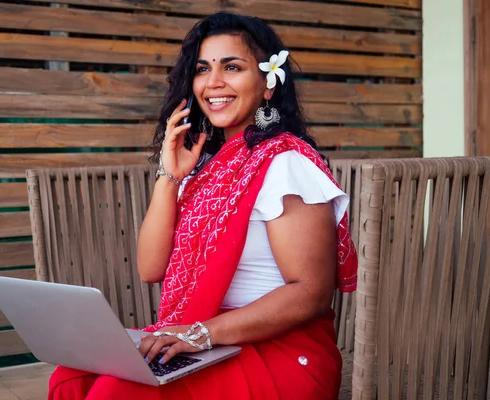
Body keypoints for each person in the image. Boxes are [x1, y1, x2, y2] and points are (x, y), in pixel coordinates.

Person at [48, 11, 357, 400]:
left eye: (232, 67)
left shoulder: (286, 164)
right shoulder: (205, 173)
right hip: (207, 335)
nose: (213, 83)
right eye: (202, 69)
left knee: (117, 391)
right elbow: (150, 268)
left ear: (267, 85)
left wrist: (201, 334)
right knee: (74, 374)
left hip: (279, 348)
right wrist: (170, 174)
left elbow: (311, 292)